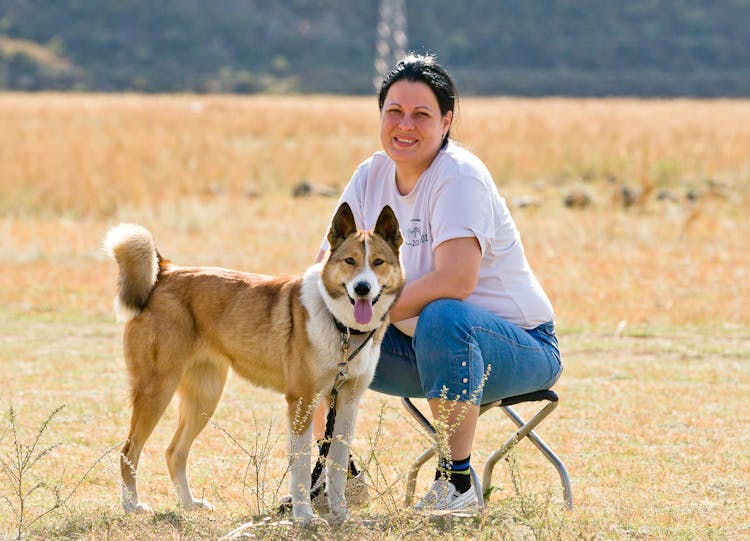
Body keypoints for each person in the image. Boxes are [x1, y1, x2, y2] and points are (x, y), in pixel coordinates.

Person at [313, 53, 562, 512]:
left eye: (422, 115)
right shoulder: (370, 175)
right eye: (395, 112)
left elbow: (457, 280)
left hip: (517, 348)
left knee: (443, 315)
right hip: (416, 348)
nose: (405, 125)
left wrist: (367, 314)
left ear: (446, 121)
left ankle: (458, 483)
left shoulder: (459, 176)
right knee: (313, 328)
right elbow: (327, 272)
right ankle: (334, 477)